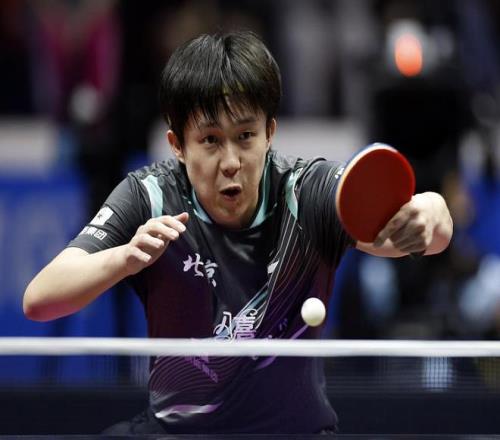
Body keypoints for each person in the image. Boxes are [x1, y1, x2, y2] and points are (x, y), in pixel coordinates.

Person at [23, 31, 453, 434]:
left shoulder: (307, 193)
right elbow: (39, 300)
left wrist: (431, 211)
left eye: (245, 136)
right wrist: (123, 258)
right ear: (177, 145)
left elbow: (422, 235)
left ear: (270, 133)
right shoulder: (149, 197)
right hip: (178, 434)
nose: (231, 161)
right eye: (210, 140)